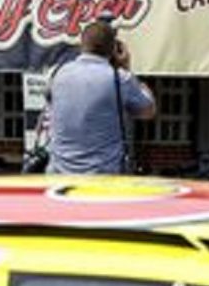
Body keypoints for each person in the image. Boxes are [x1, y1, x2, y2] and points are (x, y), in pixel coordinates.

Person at [45, 16, 156, 175]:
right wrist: (127, 69)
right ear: (113, 49)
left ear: (81, 45)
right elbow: (148, 111)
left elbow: (50, 101)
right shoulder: (119, 78)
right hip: (102, 177)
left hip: (59, 175)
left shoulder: (59, 73)